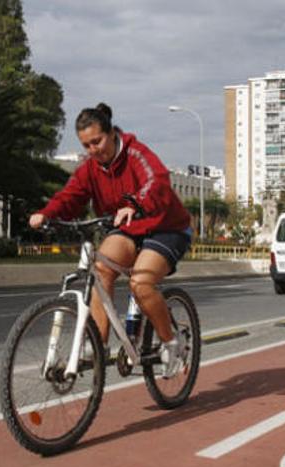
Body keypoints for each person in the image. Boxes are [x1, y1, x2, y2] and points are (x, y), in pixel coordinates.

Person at [29, 103, 192, 378]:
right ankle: (98, 346)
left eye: (97, 141)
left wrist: (135, 203)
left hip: (166, 226)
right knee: (100, 268)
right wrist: (46, 213)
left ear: (112, 134)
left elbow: (157, 181)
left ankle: (171, 343)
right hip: (128, 229)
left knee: (140, 283)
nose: (94, 149)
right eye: (86, 145)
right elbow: (70, 195)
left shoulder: (136, 153)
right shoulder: (90, 168)